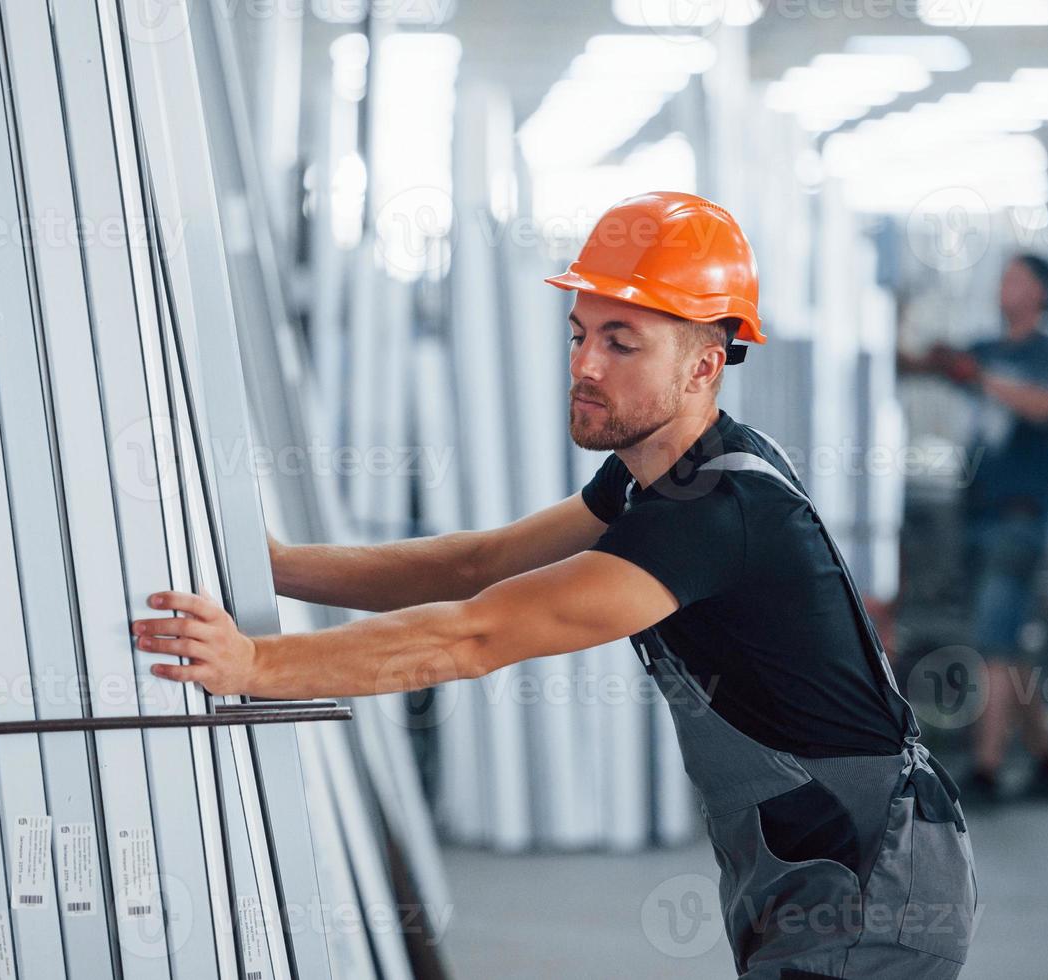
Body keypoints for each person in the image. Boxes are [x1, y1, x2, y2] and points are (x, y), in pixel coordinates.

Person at [132, 192, 976, 977]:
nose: (586, 366)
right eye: (580, 334)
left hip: (874, 873)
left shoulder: (718, 508)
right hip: (811, 858)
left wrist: (256, 669)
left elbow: (478, 634)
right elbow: (477, 566)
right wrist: (276, 564)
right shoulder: (661, 474)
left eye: (622, 342)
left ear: (702, 367)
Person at [899, 254, 1048, 806]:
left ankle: (987, 770)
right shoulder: (985, 350)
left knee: (993, 645)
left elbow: (1043, 407)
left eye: (1017, 279)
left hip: (1020, 517)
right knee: (1007, 643)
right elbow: (921, 366)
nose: (1005, 286)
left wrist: (980, 378)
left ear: (1042, 293)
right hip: (977, 515)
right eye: (1003, 277)